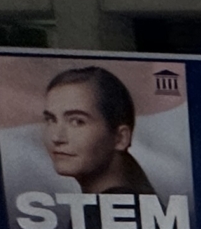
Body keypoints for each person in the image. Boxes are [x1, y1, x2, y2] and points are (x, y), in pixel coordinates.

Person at [42, 64, 155, 196]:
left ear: (120, 138)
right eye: (51, 120)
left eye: (77, 122)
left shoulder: (115, 211)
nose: (56, 137)